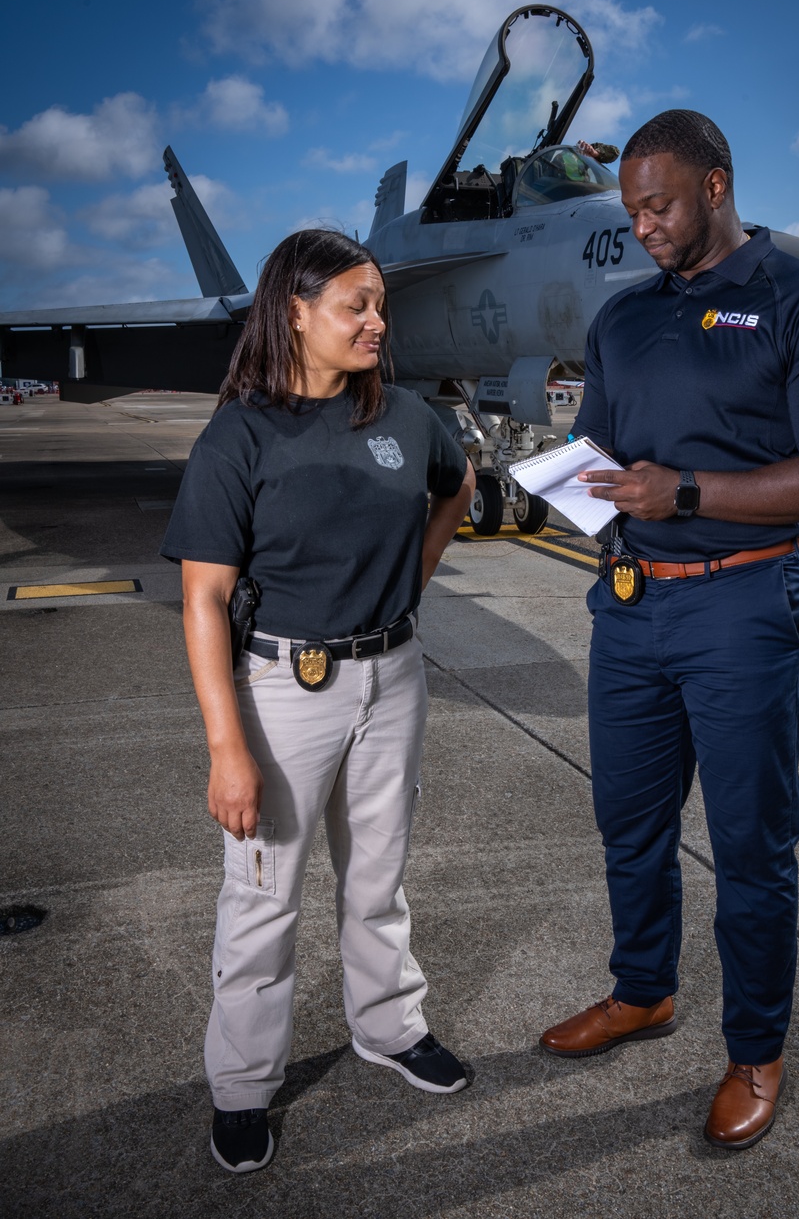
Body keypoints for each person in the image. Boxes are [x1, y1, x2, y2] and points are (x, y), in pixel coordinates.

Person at [538, 110, 799, 1150]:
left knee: (749, 845)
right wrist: (561, 482)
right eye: (631, 207)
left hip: (744, 600)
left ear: (717, 188)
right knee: (629, 825)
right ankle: (642, 990)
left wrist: (682, 490)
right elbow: (598, 447)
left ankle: (754, 1048)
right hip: (631, 602)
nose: (642, 224)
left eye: (660, 205)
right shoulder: (621, 320)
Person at [161, 228, 476, 1173]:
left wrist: (405, 592)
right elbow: (204, 599)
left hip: (395, 679)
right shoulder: (239, 436)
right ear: (294, 312)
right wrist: (228, 749)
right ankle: (244, 1083)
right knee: (263, 898)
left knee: (378, 878)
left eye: (381, 304)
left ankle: (387, 1025)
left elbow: (455, 490)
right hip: (283, 693)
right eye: (357, 305)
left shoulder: (406, 419)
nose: (378, 321)